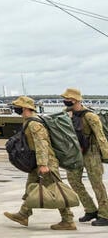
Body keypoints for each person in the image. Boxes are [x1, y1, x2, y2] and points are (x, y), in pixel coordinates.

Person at [5, 95, 78, 230]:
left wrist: (43, 164)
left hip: (46, 163)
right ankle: (23, 214)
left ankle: (68, 220)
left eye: (18, 107)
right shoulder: (29, 121)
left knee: (56, 191)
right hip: (38, 163)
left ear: (26, 108)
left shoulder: (34, 124)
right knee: (31, 187)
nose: (15, 109)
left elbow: (42, 144)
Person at [64, 87, 108, 226]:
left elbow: (101, 137)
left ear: (76, 100)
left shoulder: (90, 116)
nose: (65, 101)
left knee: (97, 183)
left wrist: (106, 154)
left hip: (91, 152)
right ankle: (90, 209)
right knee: (73, 180)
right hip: (75, 153)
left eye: (68, 99)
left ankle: (105, 214)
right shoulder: (66, 114)